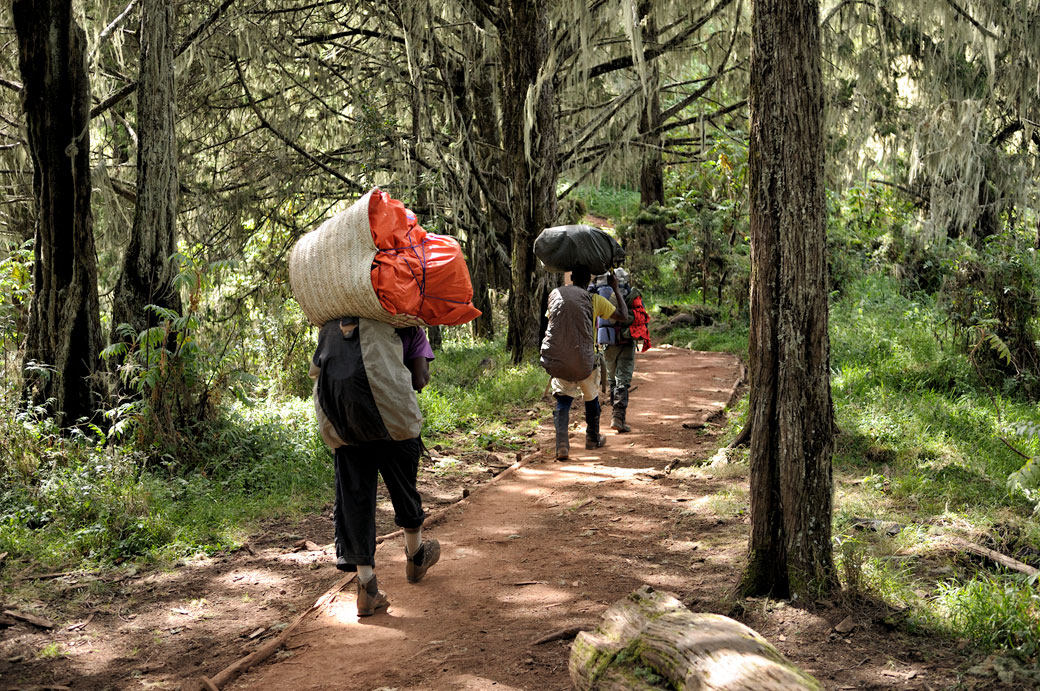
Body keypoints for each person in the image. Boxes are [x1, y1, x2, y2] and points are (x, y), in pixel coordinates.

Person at [309, 317, 441, 616]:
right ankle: (416, 555)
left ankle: (367, 588)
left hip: (345, 423)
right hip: (393, 422)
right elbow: (419, 379)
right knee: (403, 486)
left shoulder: (330, 327)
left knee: (354, 499)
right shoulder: (406, 324)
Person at [541, 267, 628, 460]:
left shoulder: (555, 295)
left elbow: (551, 322)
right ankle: (592, 438)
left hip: (560, 360)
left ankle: (562, 445)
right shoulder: (594, 300)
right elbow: (623, 315)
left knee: (563, 400)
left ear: (571, 278)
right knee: (591, 397)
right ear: (589, 280)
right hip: (585, 361)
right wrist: (615, 288)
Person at [590, 267, 652, 433]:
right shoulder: (630, 293)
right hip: (626, 340)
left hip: (607, 341)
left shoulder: (597, 294)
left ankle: (614, 416)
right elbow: (641, 316)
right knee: (622, 379)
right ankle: (618, 417)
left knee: (612, 379)